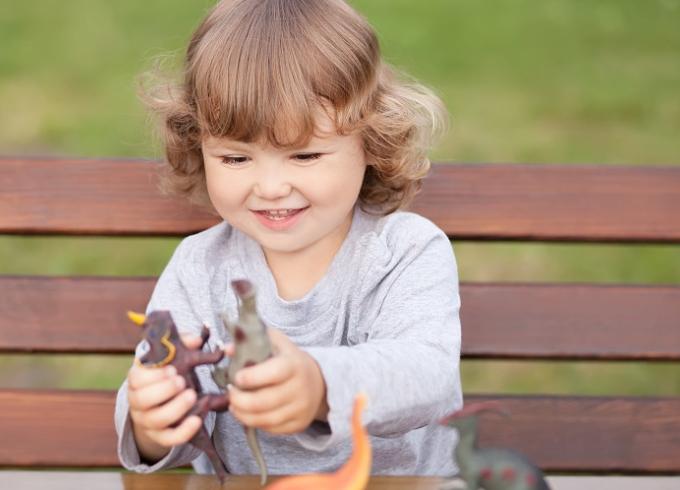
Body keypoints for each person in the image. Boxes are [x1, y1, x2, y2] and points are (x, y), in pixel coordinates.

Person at [115, 0, 463, 477]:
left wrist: (320, 385)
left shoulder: (403, 252)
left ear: (371, 142)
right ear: (200, 147)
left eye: (305, 156)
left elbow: (428, 377)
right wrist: (150, 426)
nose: (271, 187)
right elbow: (160, 386)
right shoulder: (201, 265)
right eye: (236, 159)